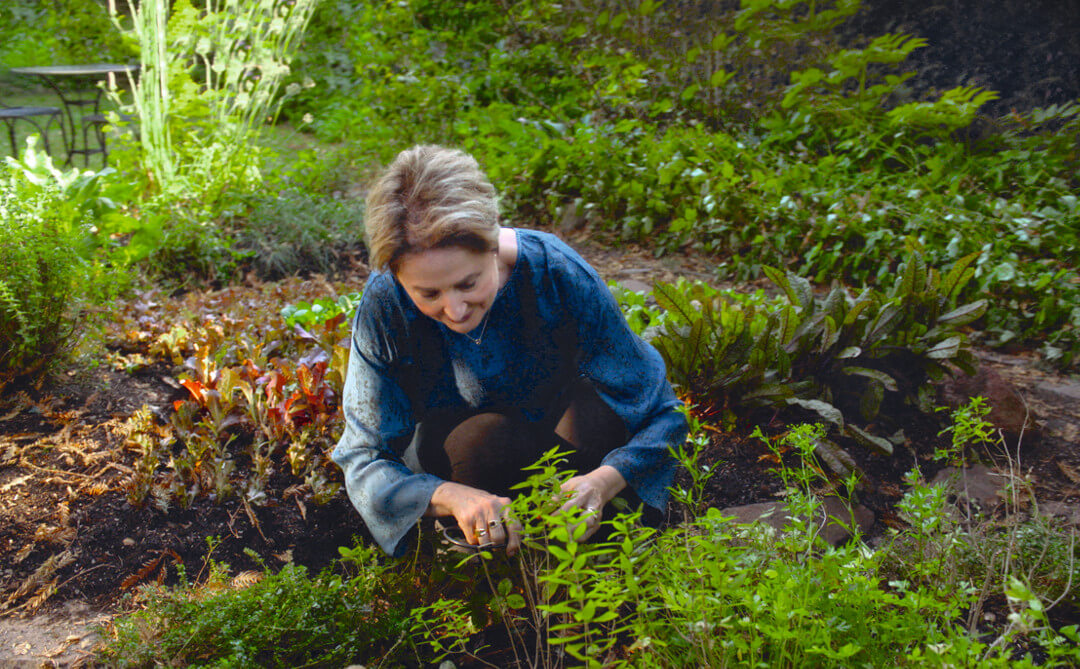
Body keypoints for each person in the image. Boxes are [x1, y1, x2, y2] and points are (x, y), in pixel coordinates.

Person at [331, 145, 687, 557]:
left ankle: (597, 540)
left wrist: (605, 479)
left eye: (469, 283)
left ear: (493, 243)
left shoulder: (558, 275)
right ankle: (492, 554)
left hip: (568, 443)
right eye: (428, 293)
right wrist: (450, 496)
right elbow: (364, 456)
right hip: (463, 460)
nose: (455, 310)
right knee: (479, 443)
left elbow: (664, 413)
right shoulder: (384, 309)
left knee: (598, 418)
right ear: (396, 275)